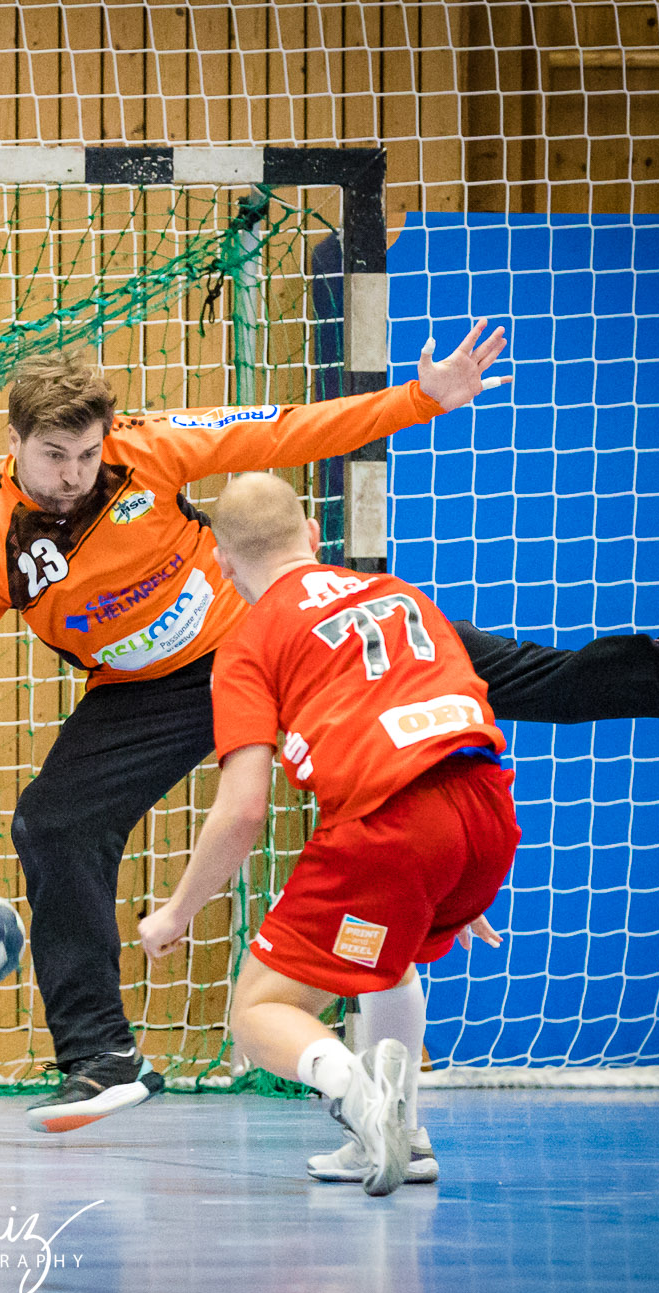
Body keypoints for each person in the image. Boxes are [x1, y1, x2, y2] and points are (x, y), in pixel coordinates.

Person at [0, 327, 659, 1135]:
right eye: (56, 458)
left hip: (262, 636)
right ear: (15, 443)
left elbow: (287, 430)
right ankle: (101, 1056)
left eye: (89, 454)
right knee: (52, 821)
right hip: (142, 694)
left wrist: (419, 399)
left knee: (481, 667)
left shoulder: (150, 447)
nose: (76, 475)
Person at [138, 471, 523, 1195]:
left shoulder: (249, 643)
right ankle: (404, 1136)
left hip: (392, 825)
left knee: (259, 1012)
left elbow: (243, 809)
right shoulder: (401, 594)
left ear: (221, 563)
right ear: (314, 536)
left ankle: (361, 1101)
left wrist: (177, 912)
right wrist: (453, 873)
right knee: (389, 957)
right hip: (486, 809)